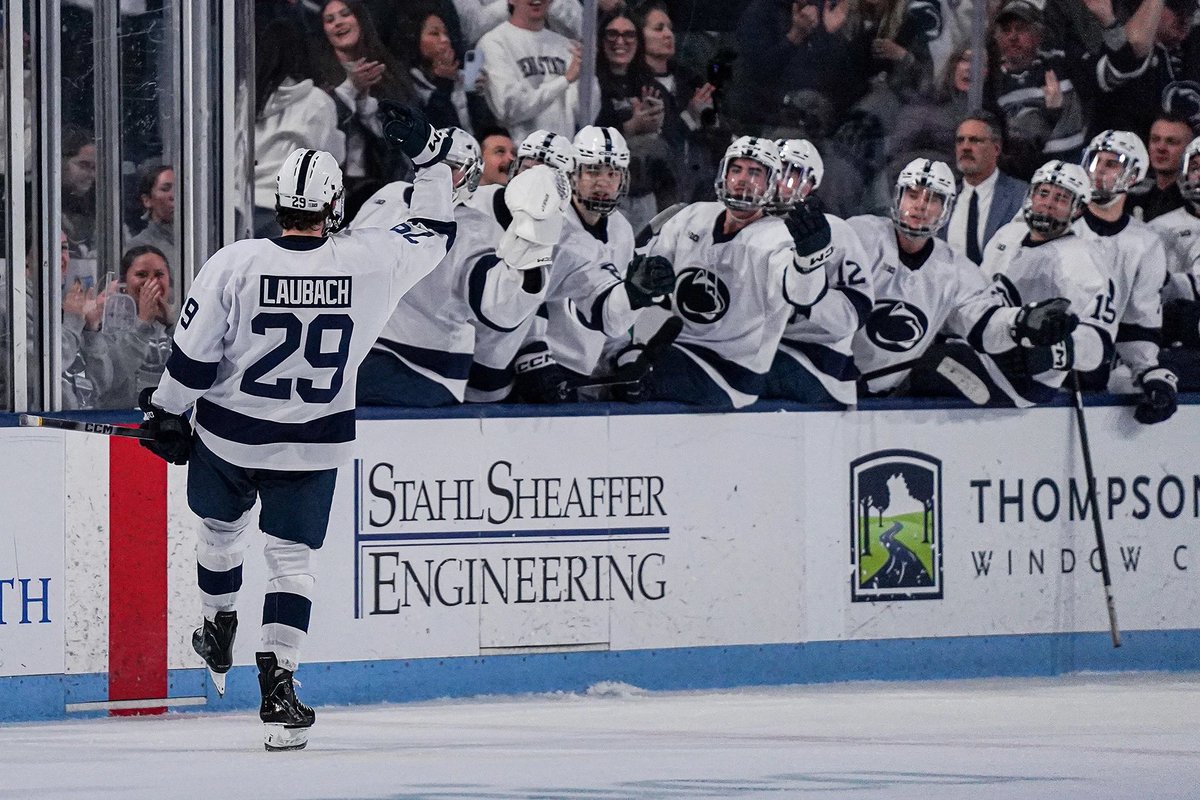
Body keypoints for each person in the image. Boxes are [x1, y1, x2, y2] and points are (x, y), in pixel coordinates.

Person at [136, 110, 455, 751]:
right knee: (292, 564)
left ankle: (217, 622)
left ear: (279, 202)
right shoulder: (372, 260)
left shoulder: (237, 262)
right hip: (313, 441)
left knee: (219, 535)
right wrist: (429, 161)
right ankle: (278, 687)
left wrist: (166, 411)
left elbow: (194, 359)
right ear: (334, 206)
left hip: (229, 436)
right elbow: (438, 229)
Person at [629, 136, 838, 408]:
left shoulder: (780, 238)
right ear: (724, 174)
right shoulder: (692, 216)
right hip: (679, 349)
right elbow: (644, 271)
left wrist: (810, 260)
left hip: (730, 372)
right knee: (620, 359)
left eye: (755, 173)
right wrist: (644, 280)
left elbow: (803, 294)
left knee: (631, 381)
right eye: (736, 170)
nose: (743, 179)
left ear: (771, 182)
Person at [848, 158, 1076, 403]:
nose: (921, 206)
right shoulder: (859, 236)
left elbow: (985, 322)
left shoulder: (955, 271)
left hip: (882, 399)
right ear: (898, 198)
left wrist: (1021, 321)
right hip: (830, 386)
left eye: (933, 199)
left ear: (946, 209)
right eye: (913, 195)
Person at [358, 160, 567, 406]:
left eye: (452, 167)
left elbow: (502, 306)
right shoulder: (390, 195)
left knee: (323, 389)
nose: (441, 174)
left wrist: (536, 233)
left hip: (427, 369)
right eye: (434, 164)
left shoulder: (475, 228)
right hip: (373, 349)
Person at [510, 125, 663, 402]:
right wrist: (531, 358)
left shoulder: (621, 230)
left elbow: (608, 307)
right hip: (531, 371)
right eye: (592, 171)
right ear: (573, 173)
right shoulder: (547, 221)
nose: (602, 182)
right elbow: (520, 301)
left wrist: (624, 354)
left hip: (582, 377)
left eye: (612, 173)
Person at [980, 161, 1118, 407]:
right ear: (1030, 195)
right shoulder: (1006, 236)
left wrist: (1051, 353)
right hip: (987, 353)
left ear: (1077, 210)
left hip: (1025, 379)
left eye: (1061, 198)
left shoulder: (1082, 260)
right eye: (1043, 193)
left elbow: (1100, 344)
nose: (1048, 204)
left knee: (932, 365)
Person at [1071, 130, 1176, 423]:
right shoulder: (1062, 227)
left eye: (1111, 164)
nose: (1099, 171)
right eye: (1095, 161)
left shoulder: (1145, 243)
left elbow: (1137, 325)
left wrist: (1149, 371)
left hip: (1100, 367)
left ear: (1134, 175)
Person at [762, 139, 873, 405]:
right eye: (774, 170)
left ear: (811, 186)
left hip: (815, 363)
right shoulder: (749, 227)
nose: (780, 180)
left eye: (792, 173)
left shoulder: (835, 231)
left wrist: (806, 292)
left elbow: (852, 314)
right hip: (759, 351)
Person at [313, 1, 415, 201]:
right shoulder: (316, 75)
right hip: (333, 188)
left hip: (384, 184)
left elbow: (405, 132)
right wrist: (350, 90)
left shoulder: (390, 71)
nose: (338, 23)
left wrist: (366, 105)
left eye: (345, 14)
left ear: (360, 19)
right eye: (329, 20)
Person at [254, 16, 345, 237]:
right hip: (291, 213)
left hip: (242, 206)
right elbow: (332, 159)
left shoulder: (245, 101)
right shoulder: (317, 101)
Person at [476, 0, 600, 144]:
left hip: (561, 155)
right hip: (516, 155)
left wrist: (588, 75)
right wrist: (564, 80)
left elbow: (585, 113)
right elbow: (509, 108)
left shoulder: (566, 46)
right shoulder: (493, 43)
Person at [84, 245, 176, 409]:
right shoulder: (107, 324)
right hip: (123, 423)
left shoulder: (181, 323)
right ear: (124, 283)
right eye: (141, 275)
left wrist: (173, 326)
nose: (151, 282)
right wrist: (142, 324)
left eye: (159, 275)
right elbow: (110, 381)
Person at [940, 111, 1028, 264]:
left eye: (975, 140)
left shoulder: (1021, 195)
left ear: (996, 149)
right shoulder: (943, 198)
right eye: (960, 140)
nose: (965, 147)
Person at [1127, 113, 1193, 222]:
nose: (1161, 148)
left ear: (1189, 149)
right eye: (1155, 139)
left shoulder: (1194, 204)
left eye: (1171, 142)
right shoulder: (1130, 200)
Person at [125, 164, 177, 268]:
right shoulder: (139, 247)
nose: (174, 195)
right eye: (165, 189)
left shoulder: (205, 241)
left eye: (180, 188)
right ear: (147, 200)